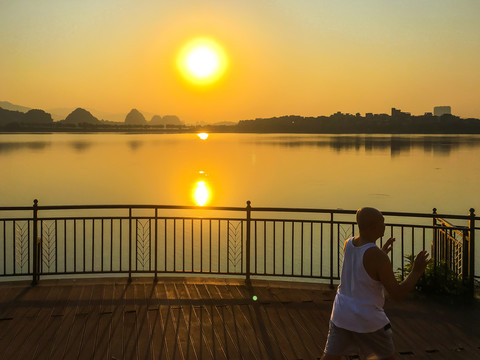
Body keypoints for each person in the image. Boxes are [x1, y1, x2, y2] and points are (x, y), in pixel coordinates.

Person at [321, 207, 430, 360]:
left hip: (341, 314)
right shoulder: (378, 257)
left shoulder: (348, 243)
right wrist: (416, 271)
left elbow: (362, 270)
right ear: (373, 227)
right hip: (367, 320)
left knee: (330, 358)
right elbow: (397, 293)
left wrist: (380, 253)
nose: (384, 225)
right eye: (382, 222)